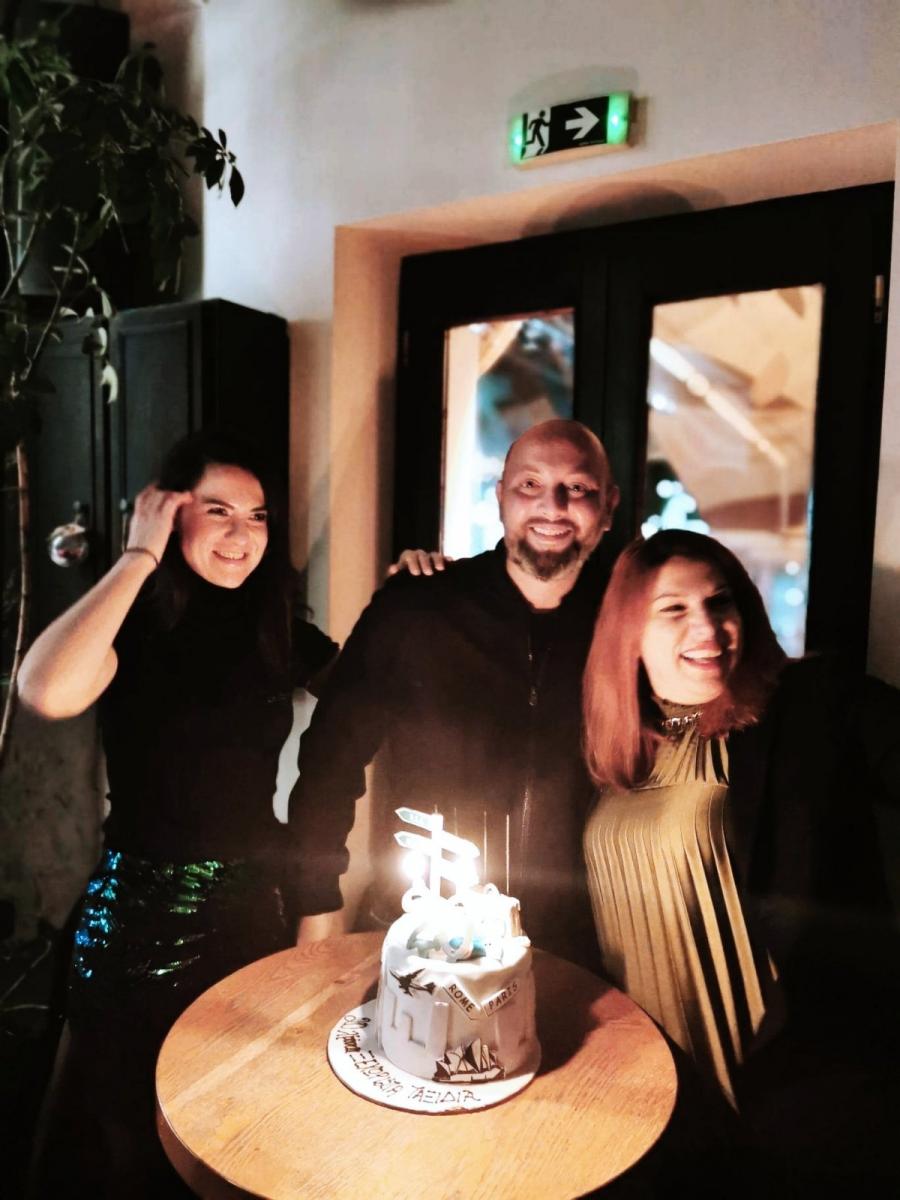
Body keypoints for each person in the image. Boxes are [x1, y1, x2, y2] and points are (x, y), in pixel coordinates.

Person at [19, 430, 338, 1199]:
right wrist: (138, 555)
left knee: (232, 1122)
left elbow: (371, 689)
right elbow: (44, 690)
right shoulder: (133, 621)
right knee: (126, 1138)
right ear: (168, 513)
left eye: (257, 516)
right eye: (218, 510)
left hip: (252, 914)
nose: (241, 534)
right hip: (138, 918)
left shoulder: (274, 627)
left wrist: (414, 592)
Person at [582, 528, 900, 1191]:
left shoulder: (810, 701)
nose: (706, 626)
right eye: (673, 608)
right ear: (628, 636)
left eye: (720, 601)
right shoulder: (622, 749)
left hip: (793, 1085)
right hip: (649, 1088)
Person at [289, 418, 620, 963]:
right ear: (501, 496)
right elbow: (329, 761)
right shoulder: (418, 606)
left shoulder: (631, 625)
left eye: (577, 488)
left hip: (579, 947)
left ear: (608, 506)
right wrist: (317, 900)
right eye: (530, 484)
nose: (553, 505)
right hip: (423, 935)